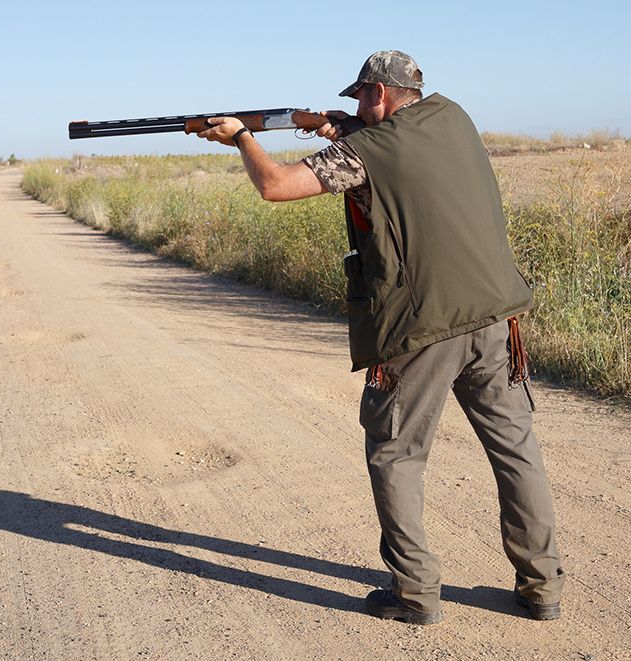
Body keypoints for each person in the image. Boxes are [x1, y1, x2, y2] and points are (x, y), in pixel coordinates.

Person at [196, 50, 565, 625]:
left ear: (381, 96)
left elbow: (275, 185)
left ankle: (415, 592)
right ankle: (541, 587)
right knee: (516, 451)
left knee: (395, 454)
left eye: (360, 97)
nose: (355, 106)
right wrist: (326, 126)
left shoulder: (366, 149)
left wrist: (244, 136)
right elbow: (404, 152)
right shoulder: (453, 118)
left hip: (420, 329)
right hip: (496, 317)